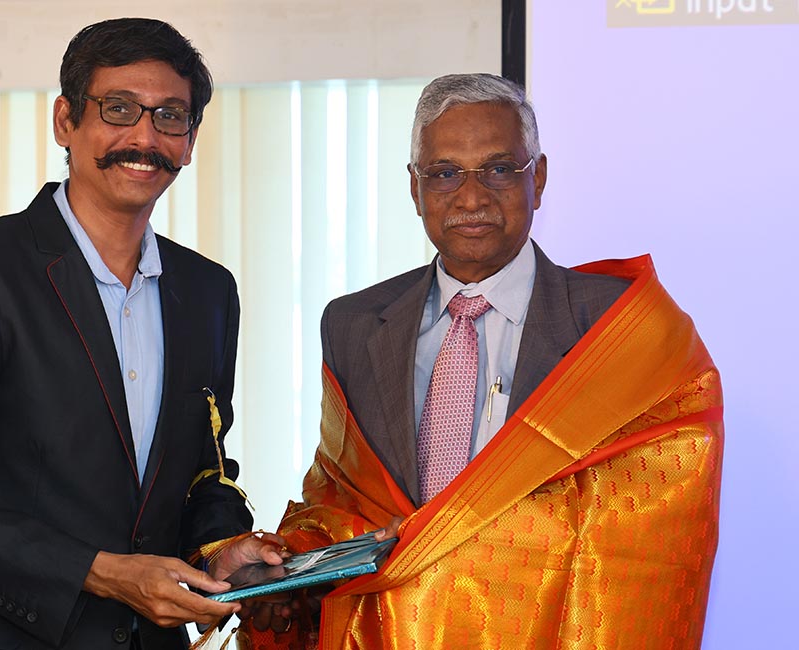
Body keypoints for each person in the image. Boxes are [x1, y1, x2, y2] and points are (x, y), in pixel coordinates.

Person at [239, 74, 723, 649]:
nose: (471, 198)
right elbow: (338, 495)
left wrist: (451, 543)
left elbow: (653, 517)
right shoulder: (354, 324)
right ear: (415, 187)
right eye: (445, 173)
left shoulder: (620, 328)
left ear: (538, 179)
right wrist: (290, 563)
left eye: (498, 169)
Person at [0, 18, 284, 650]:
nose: (144, 137)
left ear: (190, 141)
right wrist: (101, 573)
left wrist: (222, 548)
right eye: (118, 109)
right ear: (65, 120)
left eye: (170, 116)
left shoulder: (208, 291)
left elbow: (200, 470)